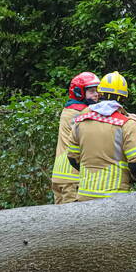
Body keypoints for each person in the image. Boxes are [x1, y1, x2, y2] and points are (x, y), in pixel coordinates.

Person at [65, 71, 136, 201]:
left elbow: (72, 158)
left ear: (100, 93)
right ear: (124, 97)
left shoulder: (80, 121)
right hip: (115, 199)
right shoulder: (128, 125)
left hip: (84, 197)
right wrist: (131, 179)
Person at [51, 71, 100, 204]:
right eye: (91, 91)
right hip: (72, 178)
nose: (96, 94)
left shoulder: (68, 110)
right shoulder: (82, 112)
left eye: (97, 90)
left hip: (59, 175)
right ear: (79, 93)